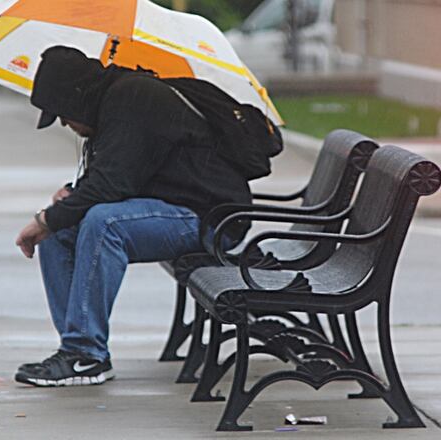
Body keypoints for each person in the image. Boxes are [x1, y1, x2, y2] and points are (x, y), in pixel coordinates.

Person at [14, 46, 281, 387]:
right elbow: (119, 172)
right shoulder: (116, 101)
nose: (65, 123)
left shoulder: (133, 98)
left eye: (63, 114)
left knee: (102, 223)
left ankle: (85, 355)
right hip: (175, 209)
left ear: (76, 99)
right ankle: (77, 350)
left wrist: (44, 219)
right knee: (61, 230)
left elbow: (112, 185)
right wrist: (64, 205)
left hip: (211, 219)